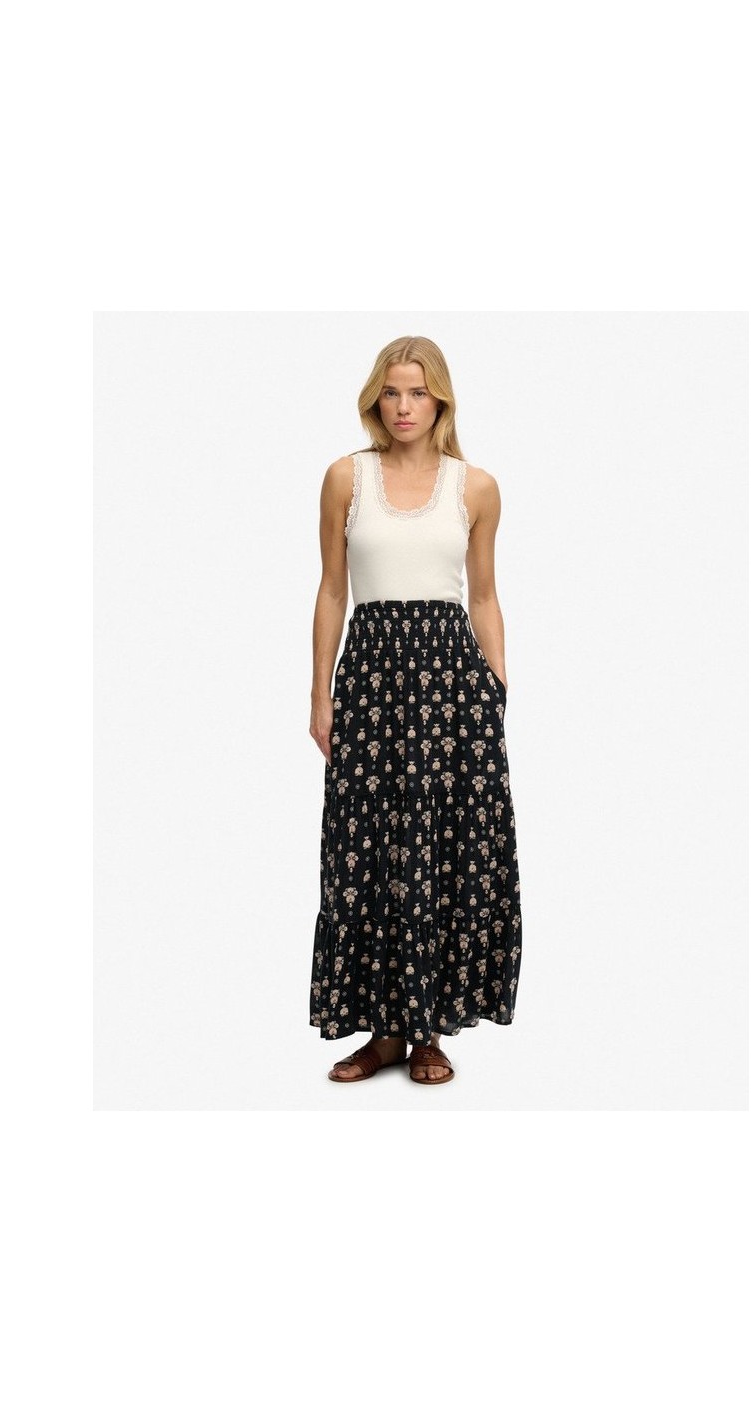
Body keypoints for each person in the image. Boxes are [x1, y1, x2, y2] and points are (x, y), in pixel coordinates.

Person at [308, 336, 523, 1084]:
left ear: (441, 401)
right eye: (393, 392)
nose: (404, 407)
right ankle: (384, 1033)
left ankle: (429, 1028)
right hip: (371, 680)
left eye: (419, 393)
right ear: (377, 399)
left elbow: (484, 596)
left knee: (443, 848)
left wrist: (495, 690)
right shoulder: (346, 478)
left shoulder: (476, 487)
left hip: (451, 686)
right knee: (368, 848)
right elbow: (332, 589)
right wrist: (320, 692)